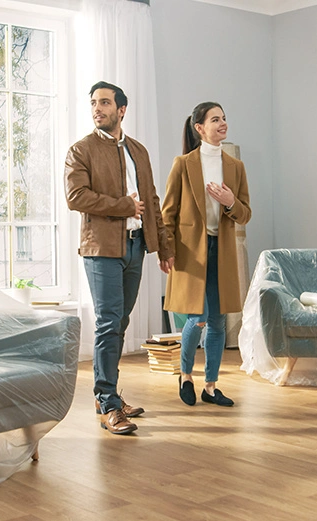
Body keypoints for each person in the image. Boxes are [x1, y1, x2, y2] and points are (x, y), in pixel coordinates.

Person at [65, 81, 174, 435]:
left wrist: (164, 247)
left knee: (120, 322)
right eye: (94, 103)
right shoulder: (80, 150)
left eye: (105, 103)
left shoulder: (138, 151)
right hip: (101, 248)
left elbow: (152, 200)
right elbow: (76, 196)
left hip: (135, 246)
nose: (98, 109)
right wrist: (123, 206)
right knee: (109, 322)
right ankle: (109, 404)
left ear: (121, 110)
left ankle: (106, 395)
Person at [162, 102, 251, 407]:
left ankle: (210, 386)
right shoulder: (183, 164)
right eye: (216, 119)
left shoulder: (235, 167)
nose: (223, 123)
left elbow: (245, 214)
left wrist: (229, 201)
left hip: (221, 252)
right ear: (200, 128)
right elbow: (168, 214)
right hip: (190, 252)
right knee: (196, 317)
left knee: (218, 320)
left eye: (224, 118)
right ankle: (186, 376)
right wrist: (167, 250)